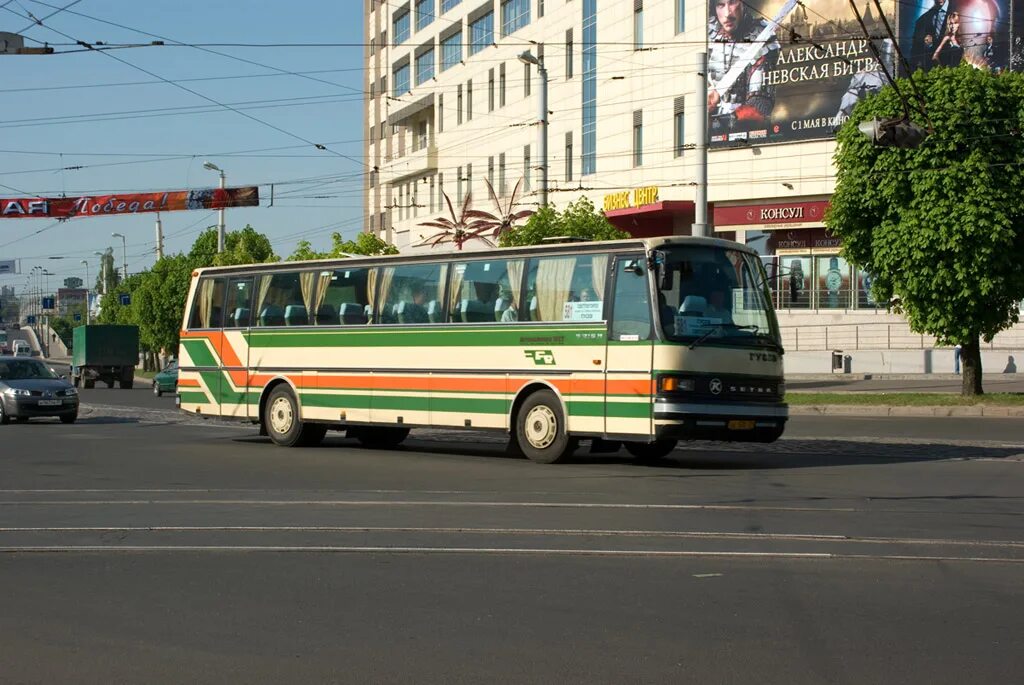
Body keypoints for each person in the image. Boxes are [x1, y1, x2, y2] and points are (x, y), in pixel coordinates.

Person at [707, 0, 780, 128]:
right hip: (707, 130)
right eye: (721, 5)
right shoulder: (708, 32)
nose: (727, 13)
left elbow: (759, 102)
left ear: (745, 3)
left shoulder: (761, 35)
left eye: (733, 2)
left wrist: (731, 119)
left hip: (744, 130)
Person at [913, 0, 952, 71]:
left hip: (953, 66)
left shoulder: (961, 11)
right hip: (930, 70)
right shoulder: (922, 20)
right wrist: (925, 42)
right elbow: (916, 49)